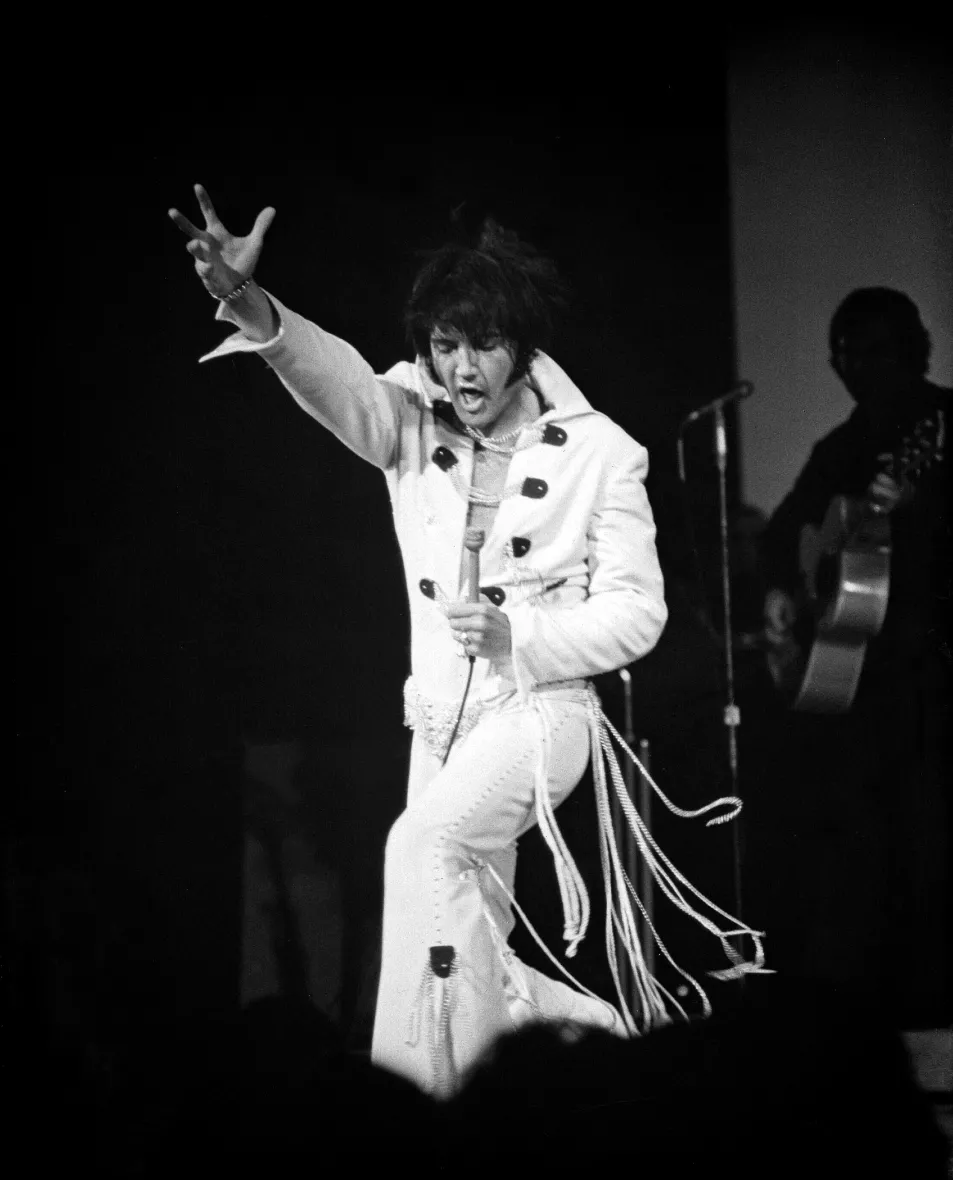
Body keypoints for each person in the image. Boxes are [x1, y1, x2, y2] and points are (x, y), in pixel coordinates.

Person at [169, 185, 763, 1096]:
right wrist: (249, 302)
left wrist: (517, 634)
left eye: (482, 345)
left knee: (419, 852)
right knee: (445, 937)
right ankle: (588, 1043)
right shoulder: (407, 417)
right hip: (440, 726)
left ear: (522, 346)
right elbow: (332, 377)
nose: (463, 370)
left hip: (541, 714)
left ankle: (461, 1118)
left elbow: (639, 613)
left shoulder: (602, 452)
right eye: (445, 346)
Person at [758, 287, 951, 1024]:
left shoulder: (942, 424)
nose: (850, 364)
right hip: (854, 684)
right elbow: (781, 538)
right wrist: (782, 590)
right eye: (840, 351)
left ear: (910, 349)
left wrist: (920, 510)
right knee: (855, 850)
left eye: (867, 348)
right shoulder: (837, 448)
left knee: (929, 843)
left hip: (932, 669)